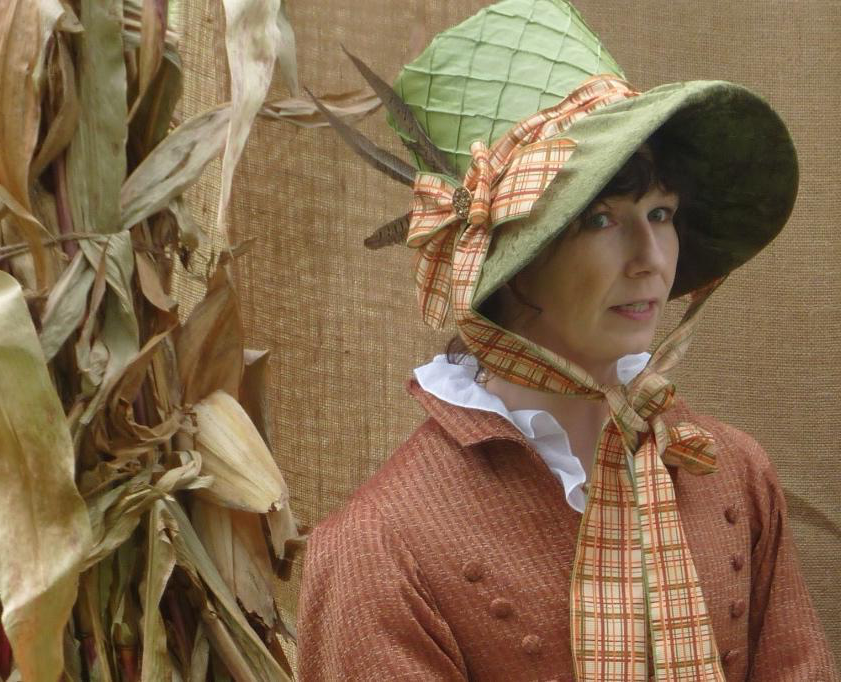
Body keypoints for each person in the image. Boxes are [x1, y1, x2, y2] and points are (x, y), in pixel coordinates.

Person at [297, 1, 839, 679]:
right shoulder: (380, 545)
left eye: (660, 213)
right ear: (510, 258)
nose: (651, 259)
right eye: (600, 220)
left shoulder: (727, 470)